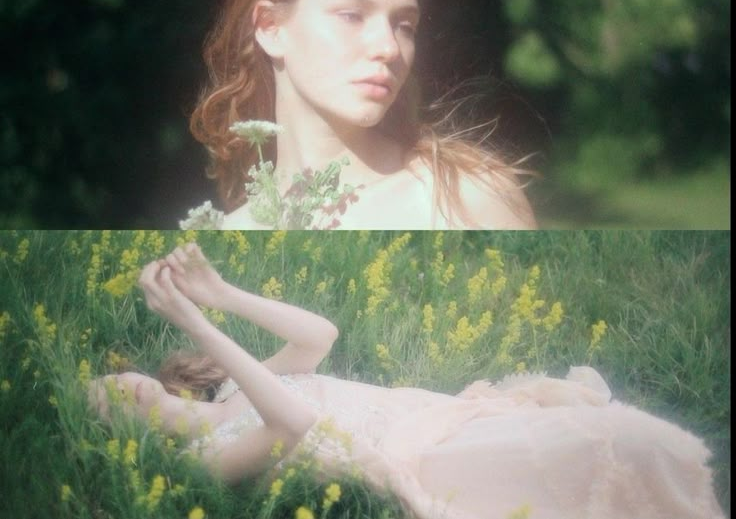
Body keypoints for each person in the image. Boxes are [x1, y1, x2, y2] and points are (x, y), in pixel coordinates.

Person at [89, 244, 726, 519]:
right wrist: (197, 325)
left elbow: (320, 336)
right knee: (615, 454)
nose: (121, 387)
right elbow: (292, 425)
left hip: (438, 414)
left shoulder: (232, 392)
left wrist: (220, 294)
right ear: (125, 439)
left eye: (114, 378)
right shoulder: (204, 462)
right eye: (106, 405)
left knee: (626, 439)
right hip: (422, 459)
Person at [189, 0, 535, 229]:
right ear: (270, 27)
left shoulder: (467, 199)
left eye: (404, 26)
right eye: (351, 15)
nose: (388, 47)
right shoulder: (230, 233)